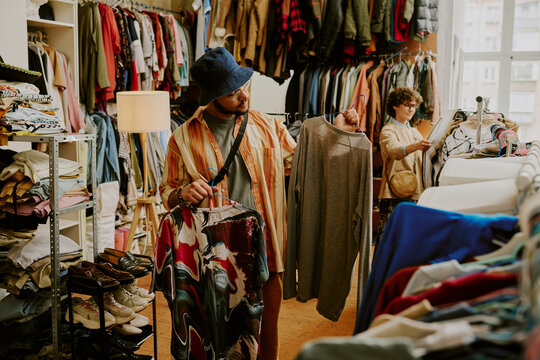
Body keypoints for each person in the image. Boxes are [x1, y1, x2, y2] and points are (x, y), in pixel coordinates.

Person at [159, 47, 360, 360]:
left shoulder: (267, 126)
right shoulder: (183, 138)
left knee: (267, 330)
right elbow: (167, 191)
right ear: (213, 96)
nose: (243, 95)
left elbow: (306, 163)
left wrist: (340, 135)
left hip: (267, 248)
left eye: (243, 86)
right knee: (221, 331)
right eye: (232, 92)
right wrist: (182, 192)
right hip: (218, 255)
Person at [375, 87, 433, 246]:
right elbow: (393, 151)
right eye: (407, 105)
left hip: (413, 191)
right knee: (388, 238)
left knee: (407, 240)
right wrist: (416, 146)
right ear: (395, 106)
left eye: (414, 106)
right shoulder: (388, 130)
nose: (411, 109)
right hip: (394, 192)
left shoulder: (414, 131)